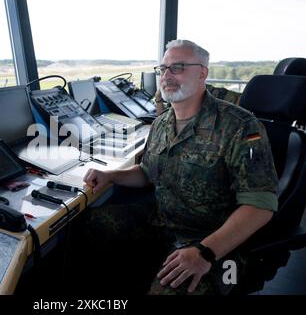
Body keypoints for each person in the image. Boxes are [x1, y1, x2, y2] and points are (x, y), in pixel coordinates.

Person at [72, 39, 278, 295]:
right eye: (163, 68)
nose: (166, 76)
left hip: (220, 248)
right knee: (89, 226)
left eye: (177, 67)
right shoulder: (162, 123)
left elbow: (260, 206)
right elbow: (147, 172)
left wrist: (204, 252)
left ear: (203, 73)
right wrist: (111, 175)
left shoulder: (242, 126)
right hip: (163, 225)